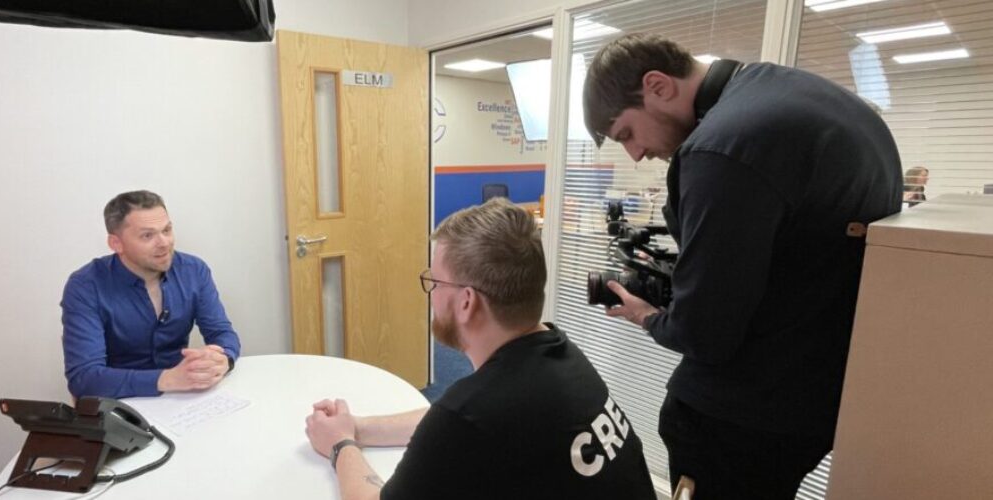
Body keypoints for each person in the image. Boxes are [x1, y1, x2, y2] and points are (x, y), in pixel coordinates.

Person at [582, 34, 902, 499]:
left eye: (627, 133)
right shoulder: (819, 101)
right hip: (812, 405)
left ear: (657, 86)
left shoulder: (722, 146)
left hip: (736, 423)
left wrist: (646, 315)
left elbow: (704, 334)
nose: (635, 153)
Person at [303, 198, 656, 500]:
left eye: (435, 282)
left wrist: (340, 447)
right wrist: (356, 429)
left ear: (467, 302)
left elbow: (459, 423)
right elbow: (459, 423)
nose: (432, 294)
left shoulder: (471, 414)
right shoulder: (562, 357)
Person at [61, 190, 240, 399]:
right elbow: (84, 379)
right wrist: (167, 379)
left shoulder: (194, 270)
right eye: (148, 235)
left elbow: (222, 333)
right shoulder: (85, 286)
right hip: (119, 404)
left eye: (167, 230)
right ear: (116, 243)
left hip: (179, 398)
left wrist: (223, 358)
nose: (164, 243)